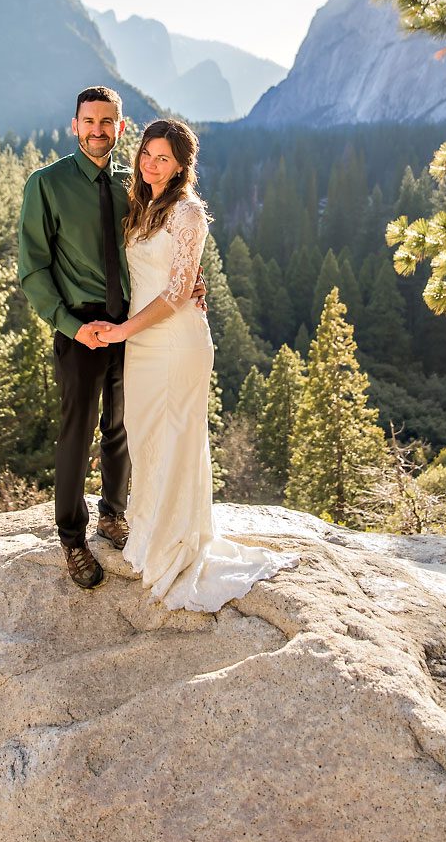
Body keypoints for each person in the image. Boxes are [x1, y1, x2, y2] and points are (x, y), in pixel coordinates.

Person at [93, 119, 298, 612]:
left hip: (177, 340)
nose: (150, 163)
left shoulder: (187, 213)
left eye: (163, 158)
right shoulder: (140, 204)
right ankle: (149, 533)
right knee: (145, 436)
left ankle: (176, 546)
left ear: (182, 165)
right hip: (143, 343)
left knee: (177, 437)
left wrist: (120, 331)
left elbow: (179, 291)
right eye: (147, 153)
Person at [18, 87, 204, 591]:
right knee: (77, 433)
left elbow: (161, 244)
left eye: (108, 122)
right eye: (89, 121)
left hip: (134, 325)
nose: (98, 130)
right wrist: (70, 325)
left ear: (121, 129)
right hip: (80, 326)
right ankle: (72, 537)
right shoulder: (47, 184)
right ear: (74, 126)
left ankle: (113, 514)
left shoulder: (134, 185)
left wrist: (191, 283)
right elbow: (32, 269)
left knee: (123, 423)